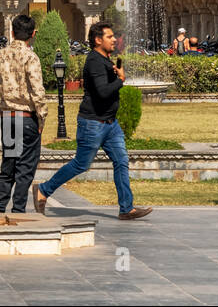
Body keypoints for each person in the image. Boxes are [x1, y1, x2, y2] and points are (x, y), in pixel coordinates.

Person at [34, 22, 152, 220]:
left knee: (121, 161)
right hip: (93, 123)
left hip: (110, 124)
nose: (114, 39)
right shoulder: (95, 62)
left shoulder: (105, 60)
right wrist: (120, 80)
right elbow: (102, 92)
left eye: (114, 36)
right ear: (98, 40)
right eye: (109, 36)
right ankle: (43, 190)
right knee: (81, 164)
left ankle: (126, 208)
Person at [0, 13, 45, 213]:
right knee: (26, 167)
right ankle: (18, 209)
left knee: (8, 164)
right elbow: (37, 91)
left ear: (12, 32)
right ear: (33, 34)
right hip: (27, 117)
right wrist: (41, 117)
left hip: (8, 117)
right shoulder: (31, 57)